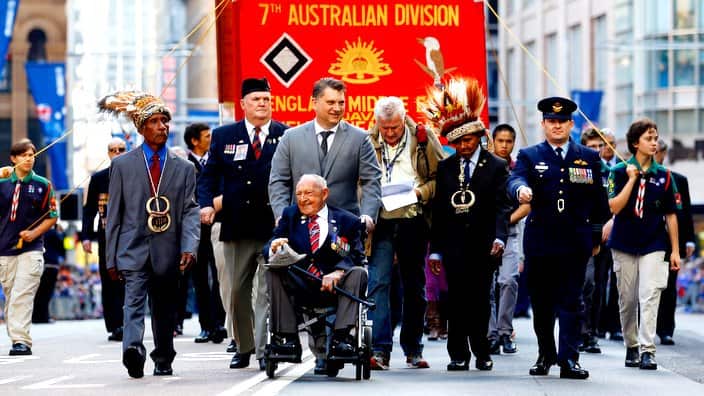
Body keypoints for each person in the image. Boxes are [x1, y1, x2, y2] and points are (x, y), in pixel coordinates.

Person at [268, 76, 381, 372]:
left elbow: (371, 181)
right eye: (330, 102)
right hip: (301, 230)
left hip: (341, 231)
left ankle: (338, 344)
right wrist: (283, 214)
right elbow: (278, 180)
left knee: (347, 276)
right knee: (294, 277)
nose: (337, 108)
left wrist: (368, 215)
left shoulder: (359, 138)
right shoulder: (291, 138)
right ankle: (306, 345)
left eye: (341, 102)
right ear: (314, 102)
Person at [507, 97, 610, 380]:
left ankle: (569, 359)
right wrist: (521, 191)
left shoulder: (588, 157)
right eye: (551, 122)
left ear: (570, 124)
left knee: (572, 301)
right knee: (541, 303)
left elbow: (598, 200)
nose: (556, 126)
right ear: (543, 124)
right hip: (541, 241)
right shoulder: (530, 155)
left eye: (562, 121)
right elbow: (515, 180)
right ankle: (545, 354)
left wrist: (596, 232)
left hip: (575, 241)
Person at [101, 92, 200, 378]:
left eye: (165, 121)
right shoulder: (122, 165)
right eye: (155, 122)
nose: (162, 126)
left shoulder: (184, 168)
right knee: (132, 302)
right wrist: (111, 258)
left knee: (164, 308)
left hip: (168, 250)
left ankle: (163, 357)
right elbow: (115, 215)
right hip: (131, 249)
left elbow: (190, 211)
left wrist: (189, 247)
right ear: (142, 128)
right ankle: (133, 350)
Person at [199, 78, 289, 370]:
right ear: (243, 104)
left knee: (265, 290)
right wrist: (205, 205)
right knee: (237, 290)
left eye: (266, 98)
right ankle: (244, 343)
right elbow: (209, 175)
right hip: (237, 225)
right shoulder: (225, 135)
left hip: (273, 225)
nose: (262, 103)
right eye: (256, 99)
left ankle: (263, 350)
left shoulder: (284, 134)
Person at [426, 77, 511, 372]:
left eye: (468, 140)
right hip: (452, 246)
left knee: (479, 300)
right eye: (457, 142)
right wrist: (435, 250)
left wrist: (500, 238)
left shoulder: (496, 166)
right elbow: (439, 212)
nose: (462, 146)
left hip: (484, 244)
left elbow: (502, 207)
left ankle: (482, 352)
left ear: (478, 137)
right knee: (455, 301)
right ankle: (457, 354)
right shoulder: (446, 167)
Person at [366, 96, 445, 370]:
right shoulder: (367, 141)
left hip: (413, 218)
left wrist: (419, 193)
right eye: (385, 128)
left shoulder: (423, 138)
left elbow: (440, 178)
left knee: (414, 286)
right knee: (378, 283)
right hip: (380, 221)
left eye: (395, 128)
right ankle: (380, 350)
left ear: (404, 120)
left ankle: (413, 348)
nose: (389, 133)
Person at [264, 174, 367, 363]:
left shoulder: (347, 221)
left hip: (336, 287)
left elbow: (357, 256)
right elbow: (270, 243)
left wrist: (339, 271)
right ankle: (288, 339)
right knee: (272, 271)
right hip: (300, 285)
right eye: (299, 194)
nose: (303, 199)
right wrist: (273, 247)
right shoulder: (290, 216)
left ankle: (341, 339)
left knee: (358, 273)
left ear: (324, 194)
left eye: (309, 193)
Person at [607, 119, 681, 371]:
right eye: (649, 138)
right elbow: (614, 207)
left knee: (650, 296)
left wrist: (676, 251)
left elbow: (671, 215)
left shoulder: (665, 176)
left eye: (656, 138)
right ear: (635, 142)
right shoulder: (618, 170)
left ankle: (648, 350)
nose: (654, 143)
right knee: (627, 299)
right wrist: (631, 180)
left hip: (654, 242)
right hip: (624, 242)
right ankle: (632, 345)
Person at [0, 139, 58, 355]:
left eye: (32, 155)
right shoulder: (2, 181)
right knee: (11, 295)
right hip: (4, 250)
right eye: (23, 155)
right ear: (13, 158)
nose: (29, 159)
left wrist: (34, 233)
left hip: (31, 249)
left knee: (21, 294)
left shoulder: (43, 184)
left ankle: (21, 341)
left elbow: (52, 216)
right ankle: (16, 335)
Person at [184, 122, 227, 345]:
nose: (212, 139)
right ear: (195, 140)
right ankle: (205, 325)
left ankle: (220, 322)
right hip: (194, 228)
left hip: (218, 222)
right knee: (199, 277)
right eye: (207, 136)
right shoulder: (182, 163)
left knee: (220, 274)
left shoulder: (217, 159)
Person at [81, 137, 127, 341]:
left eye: (121, 149)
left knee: (131, 279)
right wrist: (86, 237)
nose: (117, 152)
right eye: (113, 150)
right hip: (107, 235)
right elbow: (89, 209)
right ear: (108, 153)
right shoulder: (99, 178)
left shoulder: (136, 174)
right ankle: (115, 325)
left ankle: (129, 323)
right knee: (109, 280)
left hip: (131, 235)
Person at [487, 123, 528, 355]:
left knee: (509, 280)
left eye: (508, 141)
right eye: (500, 141)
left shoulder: (519, 169)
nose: (504, 145)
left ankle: (505, 331)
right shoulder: (485, 166)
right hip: (485, 234)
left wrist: (504, 223)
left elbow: (526, 206)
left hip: (510, 233)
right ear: (493, 141)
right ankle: (490, 334)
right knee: (487, 287)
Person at [654, 138, 696, 346]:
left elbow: (685, 212)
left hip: (673, 240)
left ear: (664, 154)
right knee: (647, 287)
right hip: (649, 239)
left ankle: (666, 330)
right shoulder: (638, 176)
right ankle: (642, 328)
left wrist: (689, 240)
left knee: (669, 286)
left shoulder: (678, 180)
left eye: (659, 152)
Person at [32, 223, 65, 324]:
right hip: (50, 265)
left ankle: (36, 316)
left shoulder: (37, 232)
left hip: (38, 263)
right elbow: (62, 247)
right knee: (46, 293)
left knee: (38, 293)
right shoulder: (53, 233)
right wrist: (61, 233)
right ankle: (43, 317)